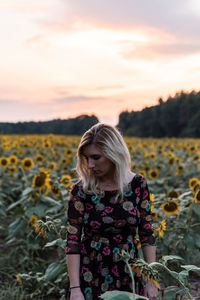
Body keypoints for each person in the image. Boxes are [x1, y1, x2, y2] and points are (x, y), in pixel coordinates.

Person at [65, 123, 158, 300]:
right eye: (86, 158)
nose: (90, 165)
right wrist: (75, 289)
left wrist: (151, 280)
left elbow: (146, 234)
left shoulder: (138, 184)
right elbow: (72, 241)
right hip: (91, 273)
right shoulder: (81, 190)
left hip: (129, 271)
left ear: (114, 153)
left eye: (96, 157)